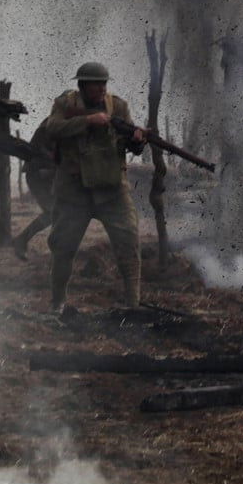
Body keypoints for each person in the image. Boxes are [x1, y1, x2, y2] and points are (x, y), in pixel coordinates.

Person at [44, 62, 147, 311]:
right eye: (95, 84)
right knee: (63, 248)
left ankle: (133, 305)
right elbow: (52, 128)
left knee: (129, 244)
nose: (101, 88)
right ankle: (57, 304)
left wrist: (137, 141)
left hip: (111, 190)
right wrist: (88, 120)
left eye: (104, 83)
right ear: (82, 85)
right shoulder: (65, 104)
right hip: (74, 191)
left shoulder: (118, 106)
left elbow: (131, 145)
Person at [10, 118, 59, 260]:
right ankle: (22, 240)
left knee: (59, 212)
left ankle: (23, 240)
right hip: (39, 175)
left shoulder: (62, 123)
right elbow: (39, 151)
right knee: (53, 212)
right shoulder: (51, 126)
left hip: (49, 175)